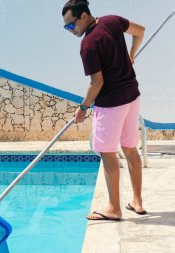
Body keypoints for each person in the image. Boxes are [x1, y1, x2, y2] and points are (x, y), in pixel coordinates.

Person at [62, 0, 146, 220]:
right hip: (132, 96)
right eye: (66, 28)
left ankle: (114, 208)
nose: (70, 31)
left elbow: (96, 83)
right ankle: (137, 201)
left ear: (83, 17)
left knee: (108, 154)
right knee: (129, 148)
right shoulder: (112, 21)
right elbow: (140, 31)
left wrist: (83, 108)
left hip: (111, 104)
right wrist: (131, 55)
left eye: (71, 25)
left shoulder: (88, 44)